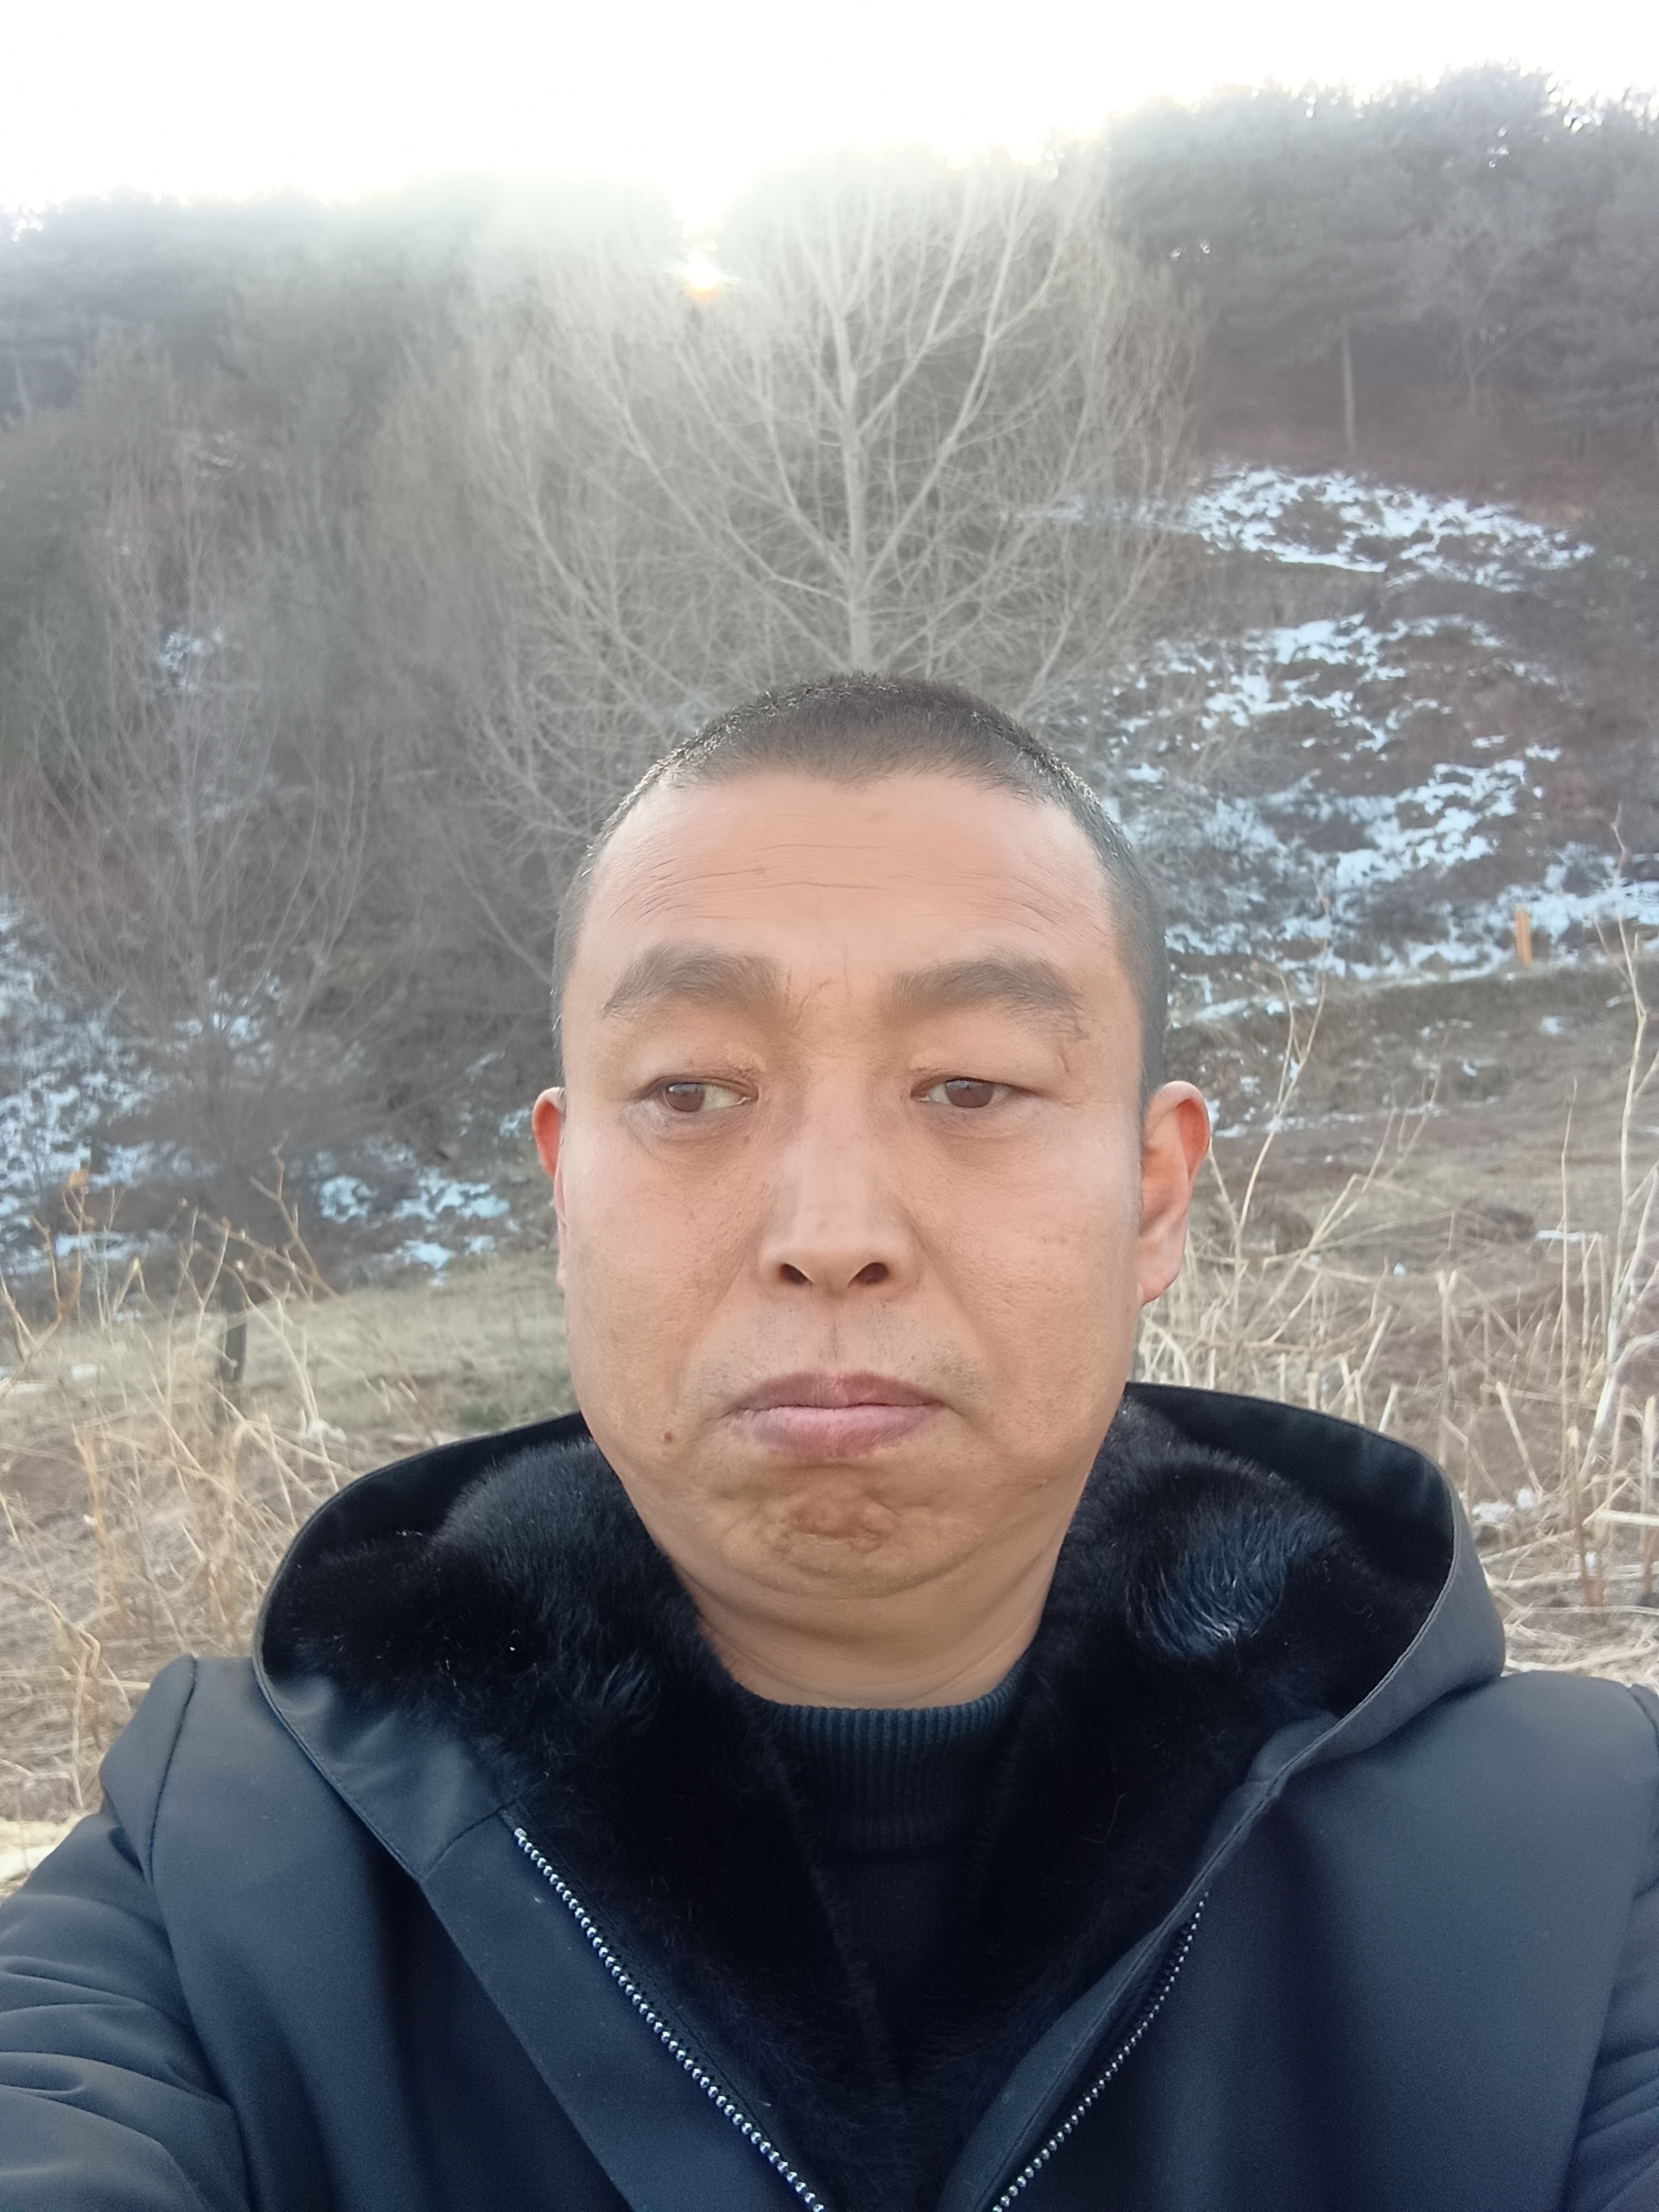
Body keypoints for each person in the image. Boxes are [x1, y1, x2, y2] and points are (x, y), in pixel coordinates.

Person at [2, 674, 1656, 2212]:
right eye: (692, 1093)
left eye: (972, 1086)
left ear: (1153, 1194)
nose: (833, 1232)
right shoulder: (211, 1892)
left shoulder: (1582, 1890)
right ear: (566, 1190)